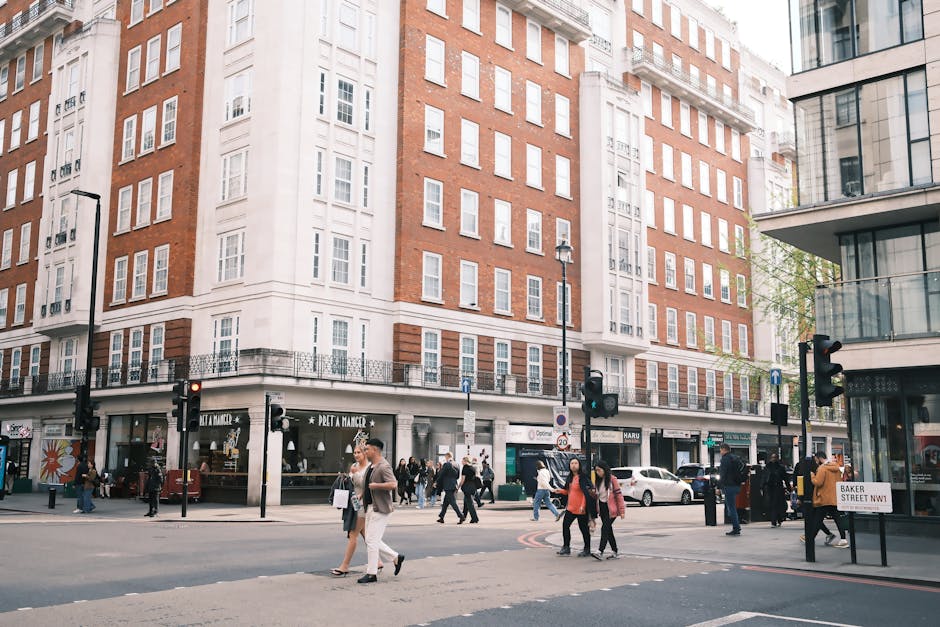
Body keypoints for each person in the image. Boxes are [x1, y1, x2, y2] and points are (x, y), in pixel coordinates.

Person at [331, 445, 384, 576]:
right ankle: (379, 561)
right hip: (353, 503)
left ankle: (344, 566)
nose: (356, 454)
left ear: (365, 453)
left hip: (362, 504)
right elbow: (351, 483)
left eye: (359, 452)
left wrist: (355, 474)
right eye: (354, 452)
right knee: (366, 535)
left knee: (352, 534)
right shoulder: (354, 465)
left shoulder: (369, 468)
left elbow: (366, 485)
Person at [358, 438, 405, 584]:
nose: (365, 452)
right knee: (372, 540)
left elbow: (393, 484)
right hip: (371, 507)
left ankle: (372, 573)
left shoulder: (384, 466)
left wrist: (377, 486)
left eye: (367, 449)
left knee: (371, 541)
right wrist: (362, 493)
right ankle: (395, 557)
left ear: (375, 450)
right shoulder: (372, 466)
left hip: (381, 508)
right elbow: (368, 485)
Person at [553, 457, 597, 557]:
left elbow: (585, 493)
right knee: (565, 526)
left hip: (581, 508)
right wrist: (559, 491)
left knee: (584, 529)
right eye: (572, 463)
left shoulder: (583, 477)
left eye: (575, 463)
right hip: (571, 508)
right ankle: (566, 547)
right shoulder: (570, 478)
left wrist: (582, 506)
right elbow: (568, 491)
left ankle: (587, 549)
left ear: (579, 465)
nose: (573, 465)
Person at [806, 451, 849, 548]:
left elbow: (818, 482)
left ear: (819, 458)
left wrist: (812, 475)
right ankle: (843, 539)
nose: (816, 461)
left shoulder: (822, 468)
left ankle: (810, 538)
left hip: (824, 498)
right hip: (834, 497)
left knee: (817, 519)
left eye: (816, 459)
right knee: (838, 519)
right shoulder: (836, 467)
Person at [594, 461, 626, 559]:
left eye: (599, 470)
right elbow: (598, 495)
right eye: (596, 471)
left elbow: (618, 495)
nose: (598, 472)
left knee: (604, 528)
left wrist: (622, 510)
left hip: (611, 509)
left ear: (604, 469)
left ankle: (600, 551)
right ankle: (615, 551)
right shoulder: (598, 481)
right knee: (608, 530)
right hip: (602, 508)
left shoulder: (612, 479)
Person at [718, 443, 742, 536]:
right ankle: (736, 525)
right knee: (730, 507)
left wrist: (719, 487)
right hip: (737, 485)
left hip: (729, 486)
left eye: (720, 450)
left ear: (724, 449)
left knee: (731, 508)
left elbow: (723, 474)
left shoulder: (725, 459)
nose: (720, 452)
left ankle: (736, 528)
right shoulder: (735, 458)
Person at [762, 453, 789, 527]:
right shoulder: (767, 467)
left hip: (778, 487)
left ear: (777, 458)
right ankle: (774, 520)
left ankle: (777, 519)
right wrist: (762, 487)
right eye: (772, 457)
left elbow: (785, 478)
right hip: (770, 488)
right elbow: (764, 477)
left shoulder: (780, 467)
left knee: (777, 504)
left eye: (774, 457)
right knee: (773, 504)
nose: (773, 459)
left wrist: (788, 487)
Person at [436, 452, 463, 523]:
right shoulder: (457, 464)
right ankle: (441, 517)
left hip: (448, 485)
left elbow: (441, 474)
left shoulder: (447, 464)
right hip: (454, 484)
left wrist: (436, 482)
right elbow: (457, 476)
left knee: (453, 502)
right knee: (445, 502)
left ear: (447, 456)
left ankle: (461, 515)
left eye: (445, 456)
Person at [457, 456, 480, 524]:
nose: (461, 462)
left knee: (470, 504)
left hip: (467, 487)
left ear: (465, 461)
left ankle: (475, 518)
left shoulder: (465, 468)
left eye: (462, 460)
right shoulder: (472, 468)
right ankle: (463, 517)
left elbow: (463, 479)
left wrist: (458, 487)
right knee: (466, 503)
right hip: (473, 487)